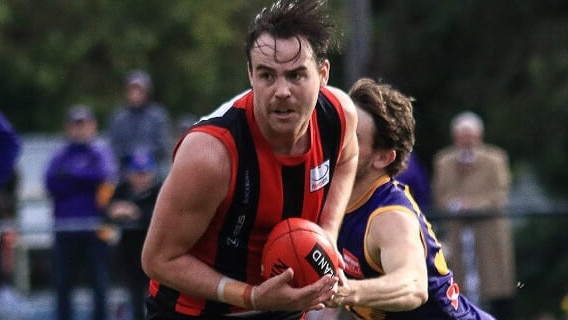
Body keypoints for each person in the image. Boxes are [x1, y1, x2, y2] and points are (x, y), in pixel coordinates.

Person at [140, 0, 359, 319]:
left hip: (280, 308)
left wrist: (326, 234)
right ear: (250, 74)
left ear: (323, 74)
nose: (281, 91)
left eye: (296, 75)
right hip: (194, 313)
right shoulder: (210, 153)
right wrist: (252, 296)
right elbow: (158, 259)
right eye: (267, 76)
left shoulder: (339, 118)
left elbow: (348, 158)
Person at [308, 78, 495, 319]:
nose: (335, 141)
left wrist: (348, 291)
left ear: (383, 158)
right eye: (338, 128)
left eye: (351, 136)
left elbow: (413, 286)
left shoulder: (389, 215)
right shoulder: (329, 198)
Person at [431, 111, 515, 319]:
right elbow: (440, 194)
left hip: (489, 232)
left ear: (479, 136)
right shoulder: (444, 161)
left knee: (496, 285)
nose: (466, 141)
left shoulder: (495, 159)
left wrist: (474, 205)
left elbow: (500, 192)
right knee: (459, 284)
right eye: (462, 136)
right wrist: (456, 204)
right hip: (459, 232)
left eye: (470, 135)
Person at [45, 105, 117, 320]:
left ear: (93, 125)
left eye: (84, 124)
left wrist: (72, 174)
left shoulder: (100, 152)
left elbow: (104, 176)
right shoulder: (60, 154)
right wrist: (84, 181)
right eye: (75, 125)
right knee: (63, 285)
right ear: (68, 128)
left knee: (99, 284)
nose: (80, 129)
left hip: (94, 229)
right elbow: (51, 183)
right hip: (65, 229)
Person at [107, 151, 161, 320]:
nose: (141, 178)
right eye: (137, 173)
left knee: (157, 297)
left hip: (155, 252)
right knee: (133, 296)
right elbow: (107, 212)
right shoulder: (122, 189)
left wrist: (135, 212)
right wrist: (113, 211)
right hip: (128, 253)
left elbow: (160, 217)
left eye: (144, 173)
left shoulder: (160, 190)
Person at [108, 69, 172, 180]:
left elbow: (163, 144)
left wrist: (143, 156)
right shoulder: (119, 118)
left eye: (139, 91)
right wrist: (133, 156)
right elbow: (115, 146)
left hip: (153, 166)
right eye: (132, 91)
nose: (135, 95)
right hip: (126, 166)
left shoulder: (158, 115)